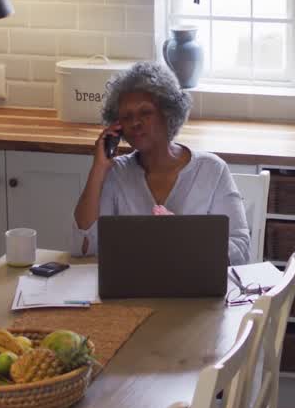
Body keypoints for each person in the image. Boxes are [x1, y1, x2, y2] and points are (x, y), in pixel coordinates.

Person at [71, 61, 250, 265]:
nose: (135, 123)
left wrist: (184, 238)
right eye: (126, 117)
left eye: (145, 113)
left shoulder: (211, 170)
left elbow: (241, 251)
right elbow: (83, 249)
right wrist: (98, 169)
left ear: (168, 113)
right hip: (131, 291)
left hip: (195, 292)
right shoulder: (115, 173)